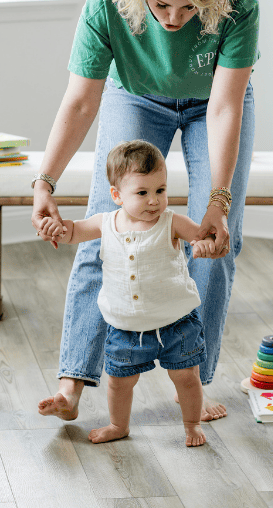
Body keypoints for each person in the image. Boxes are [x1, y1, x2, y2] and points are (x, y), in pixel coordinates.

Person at [33, 0, 260, 424]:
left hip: (212, 105)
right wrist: (44, 182)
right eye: (161, 5)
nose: (174, 19)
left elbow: (226, 106)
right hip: (136, 96)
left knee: (216, 238)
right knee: (102, 227)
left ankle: (194, 390)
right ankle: (71, 385)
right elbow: (80, 102)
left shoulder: (239, 3)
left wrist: (218, 205)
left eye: (189, 8)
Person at [40, 140, 220, 446]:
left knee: (187, 378)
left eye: (160, 191)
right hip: (125, 327)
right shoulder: (105, 223)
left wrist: (205, 245)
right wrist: (55, 227)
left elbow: (203, 237)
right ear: (116, 195)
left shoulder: (171, 223)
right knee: (119, 384)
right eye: (142, 193)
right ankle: (118, 425)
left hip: (177, 323)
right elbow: (73, 231)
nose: (154, 201)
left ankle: (191, 424)